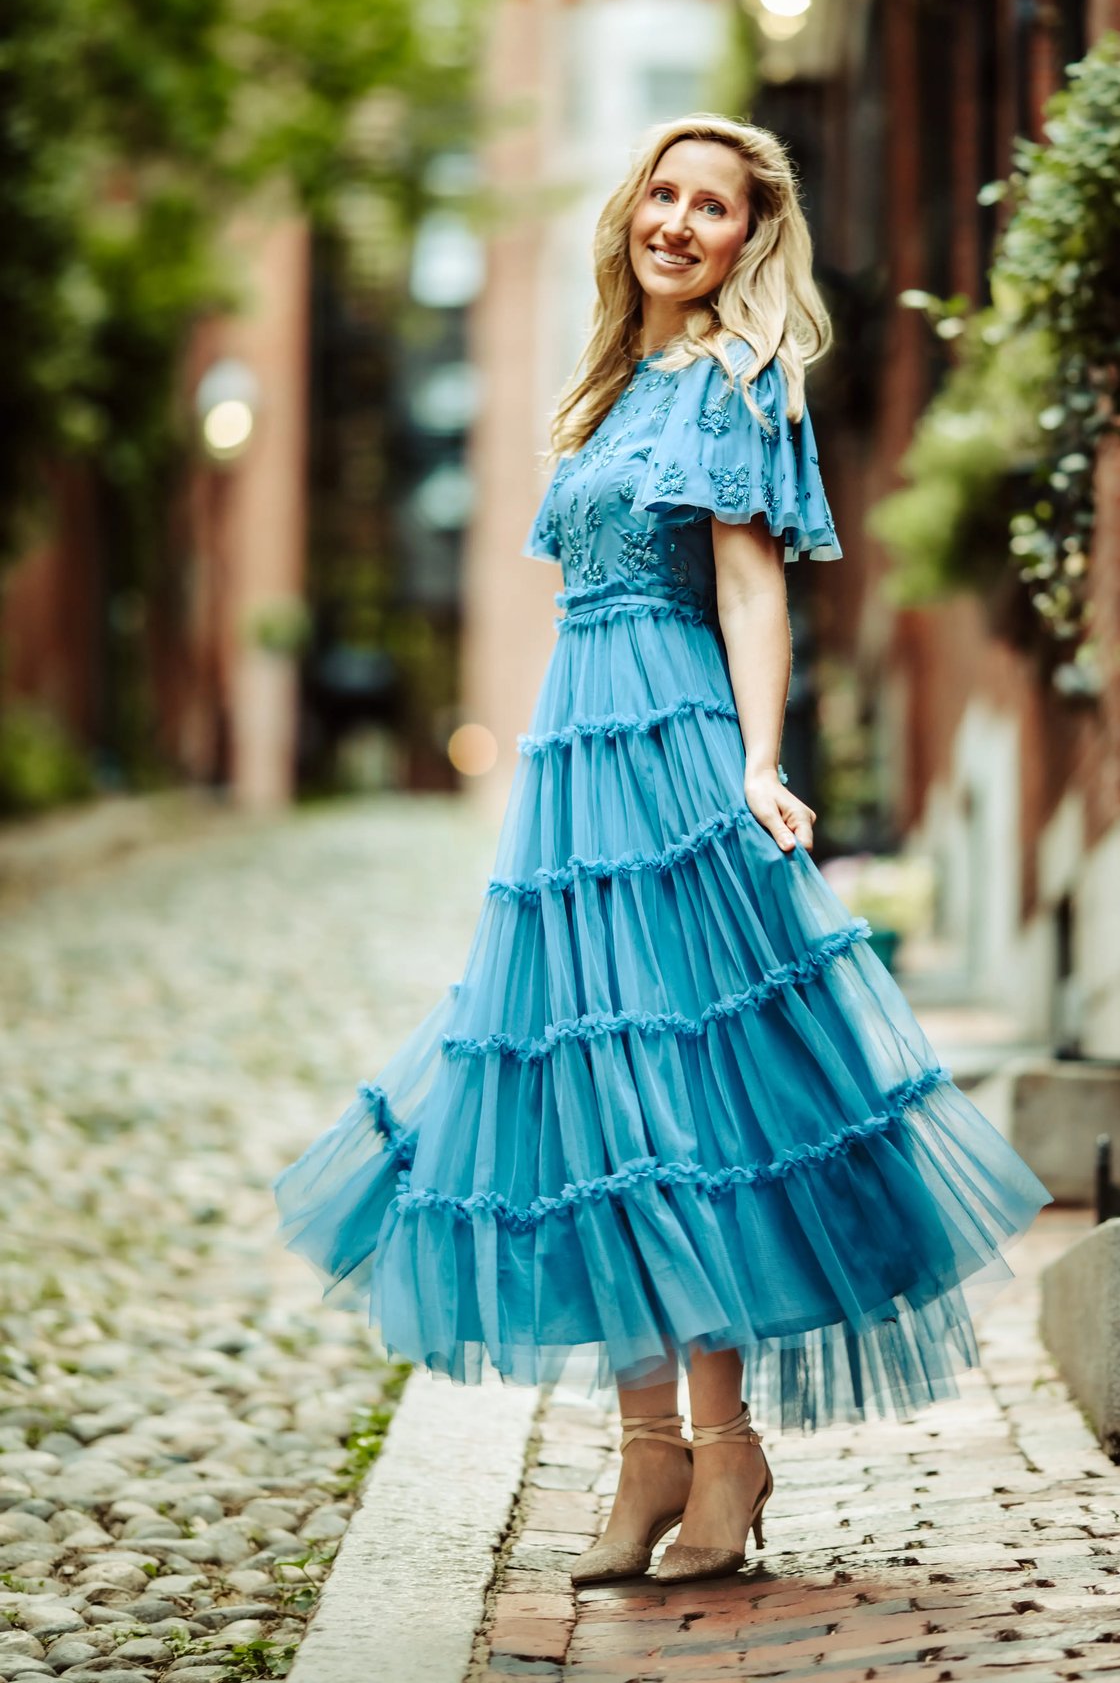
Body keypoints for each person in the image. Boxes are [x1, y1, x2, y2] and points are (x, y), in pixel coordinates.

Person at [272, 113, 1051, 1587]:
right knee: (581, 1094)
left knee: (674, 1090)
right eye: (667, 195)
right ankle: (645, 1460)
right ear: (632, 211)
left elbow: (753, 595)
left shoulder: (729, 386)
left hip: (674, 753)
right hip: (574, 771)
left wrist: (757, 763)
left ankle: (723, 1444)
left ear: (752, 242)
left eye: (717, 208)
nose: (682, 223)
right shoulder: (609, 391)